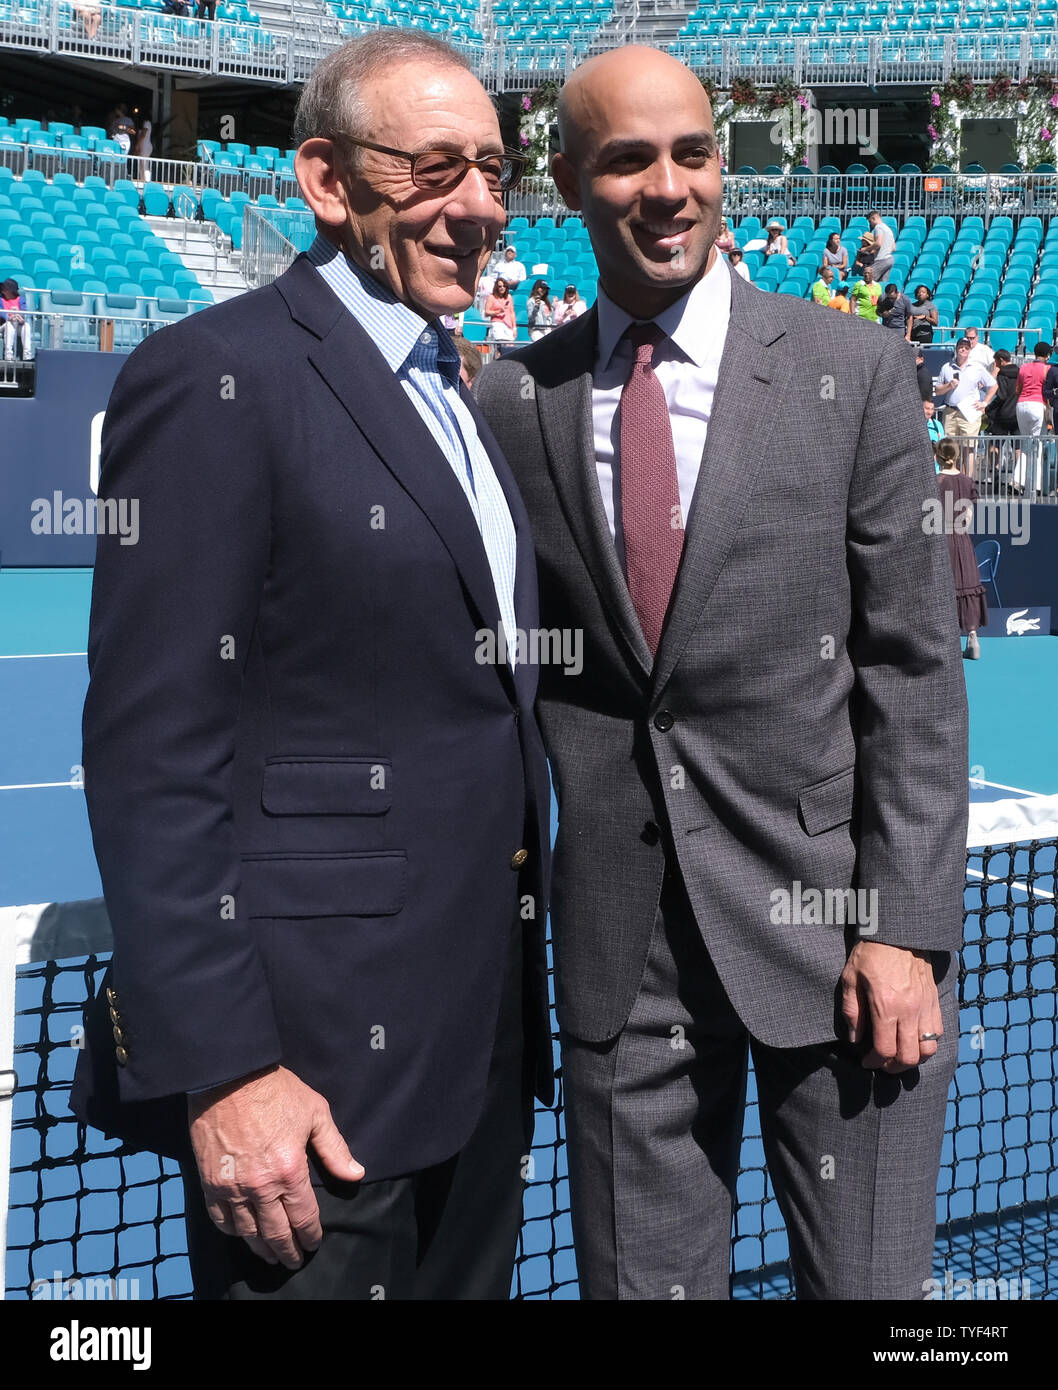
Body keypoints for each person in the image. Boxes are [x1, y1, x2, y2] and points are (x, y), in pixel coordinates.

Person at [476, 43, 968, 1302]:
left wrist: (902, 930)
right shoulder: (512, 400)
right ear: (571, 183)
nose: (668, 186)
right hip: (617, 956)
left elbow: (910, 671)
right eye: (627, 158)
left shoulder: (849, 371)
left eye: (691, 153)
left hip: (842, 950)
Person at [69, 31, 553, 1302]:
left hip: (476, 1060)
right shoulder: (215, 374)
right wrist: (225, 1070)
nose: (480, 207)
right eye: (438, 167)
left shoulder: (460, 389)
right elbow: (149, 748)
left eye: (494, 171)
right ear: (328, 183)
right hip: (306, 1090)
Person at [935, 439, 987, 660]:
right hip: (962, 539)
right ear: (957, 456)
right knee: (966, 586)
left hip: (940, 539)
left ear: (938, 456)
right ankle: (972, 636)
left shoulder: (936, 481)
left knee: (940, 587)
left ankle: (943, 642)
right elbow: (968, 517)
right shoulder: (967, 481)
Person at [935, 337, 996, 439]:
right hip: (950, 413)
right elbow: (937, 391)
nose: (963, 349)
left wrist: (985, 402)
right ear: (956, 348)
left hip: (970, 412)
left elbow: (993, 385)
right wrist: (949, 386)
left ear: (970, 350)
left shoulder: (977, 367)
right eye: (961, 347)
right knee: (950, 449)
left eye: (966, 348)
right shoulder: (946, 367)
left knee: (969, 447)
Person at [0, 278, 34, 362]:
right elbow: (1, 313)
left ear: (11, 290)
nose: (3, 291)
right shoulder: (0, 300)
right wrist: (9, 318)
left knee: (26, 326)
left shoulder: (20, 299)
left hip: (18, 324)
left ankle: (27, 355)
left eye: (5, 289)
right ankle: (8, 355)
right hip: (4, 325)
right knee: (9, 326)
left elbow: (24, 311)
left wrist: (21, 318)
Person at [484, 275, 517, 342]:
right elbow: (487, 312)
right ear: (496, 287)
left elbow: (512, 313)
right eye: (500, 286)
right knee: (500, 344)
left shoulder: (509, 297)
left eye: (504, 286)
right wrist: (498, 311)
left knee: (510, 346)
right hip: (497, 323)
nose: (502, 288)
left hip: (509, 324)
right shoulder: (491, 297)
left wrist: (514, 328)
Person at [867, 209, 896, 282]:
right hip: (890, 259)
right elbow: (893, 248)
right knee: (882, 284)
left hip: (881, 259)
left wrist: (866, 249)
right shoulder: (888, 229)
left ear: (873, 218)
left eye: (870, 222)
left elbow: (878, 243)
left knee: (868, 279)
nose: (870, 224)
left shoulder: (878, 227)